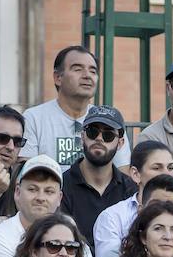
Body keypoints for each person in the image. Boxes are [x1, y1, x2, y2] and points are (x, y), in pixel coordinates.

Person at [0, 155, 94, 257]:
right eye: (32, 189)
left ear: (59, 198)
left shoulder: (76, 245)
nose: (40, 197)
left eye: (49, 191)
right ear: (17, 192)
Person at [23, 45, 131, 171]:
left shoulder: (109, 121)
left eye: (93, 71)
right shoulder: (33, 118)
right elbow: (25, 173)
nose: (87, 76)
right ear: (58, 77)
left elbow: (123, 173)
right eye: (78, 69)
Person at [58, 104, 136, 246]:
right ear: (82, 136)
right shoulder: (61, 186)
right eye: (93, 132)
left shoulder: (131, 190)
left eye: (108, 135)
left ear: (120, 143)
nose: (99, 139)